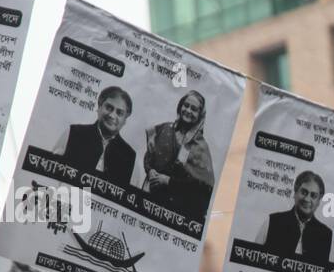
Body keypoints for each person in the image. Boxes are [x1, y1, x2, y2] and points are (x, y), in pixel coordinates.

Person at [142, 90, 216, 220]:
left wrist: (168, 181)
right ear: (180, 106)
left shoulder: (200, 147)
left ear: (200, 115)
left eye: (194, 109)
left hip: (176, 210)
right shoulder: (164, 129)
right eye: (186, 105)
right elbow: (149, 157)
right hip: (150, 198)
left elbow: (203, 187)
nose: (188, 110)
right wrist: (150, 170)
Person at [54, 86, 136, 186]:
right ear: (99, 107)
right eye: (109, 108)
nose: (112, 115)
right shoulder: (73, 133)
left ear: (125, 120)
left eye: (119, 113)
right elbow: (50, 175)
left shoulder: (129, 156)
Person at [256, 170, 331, 263]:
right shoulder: (272, 222)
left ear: (319, 201)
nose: (307, 199)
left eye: (313, 195)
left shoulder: (327, 236)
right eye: (304, 192)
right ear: (295, 192)